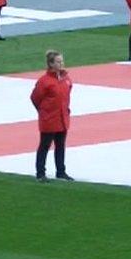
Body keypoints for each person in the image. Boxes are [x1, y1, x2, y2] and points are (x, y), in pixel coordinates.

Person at [30, 50, 74, 181]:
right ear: (51, 64)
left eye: (62, 61)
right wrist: (43, 111)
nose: (61, 64)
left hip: (62, 117)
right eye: (58, 62)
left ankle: (61, 171)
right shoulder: (44, 81)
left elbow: (67, 96)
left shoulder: (66, 79)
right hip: (49, 119)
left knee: (61, 146)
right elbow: (35, 98)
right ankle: (40, 173)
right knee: (45, 146)